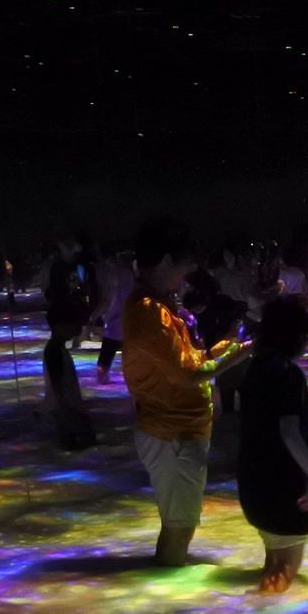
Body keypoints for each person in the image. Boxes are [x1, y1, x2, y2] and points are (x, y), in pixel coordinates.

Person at [121, 216, 250, 566]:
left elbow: (187, 362)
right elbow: (188, 374)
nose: (185, 276)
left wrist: (220, 350)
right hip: (172, 433)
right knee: (179, 528)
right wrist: (238, 355)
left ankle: (167, 582)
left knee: (179, 523)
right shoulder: (150, 311)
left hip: (176, 429)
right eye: (184, 266)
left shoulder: (157, 306)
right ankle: (165, 588)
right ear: (166, 261)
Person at [237, 296, 308, 594]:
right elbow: (289, 432)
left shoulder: (255, 367)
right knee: (286, 565)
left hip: (254, 482)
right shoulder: (287, 373)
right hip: (285, 487)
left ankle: (254, 612)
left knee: (274, 558)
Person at [40, 239, 99, 450]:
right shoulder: (54, 352)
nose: (77, 329)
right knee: (77, 440)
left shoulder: (57, 349)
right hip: (65, 408)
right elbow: (58, 387)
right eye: (73, 325)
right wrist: (68, 409)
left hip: (66, 406)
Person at [94, 246, 134, 386]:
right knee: (126, 349)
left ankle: (102, 375)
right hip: (127, 318)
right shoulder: (130, 274)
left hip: (115, 319)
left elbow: (108, 298)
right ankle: (131, 375)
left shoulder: (115, 275)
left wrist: (96, 315)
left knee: (108, 348)